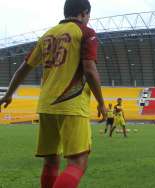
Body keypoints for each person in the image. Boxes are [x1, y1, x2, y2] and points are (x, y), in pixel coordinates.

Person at [0, 0, 107, 187]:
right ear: (84, 13)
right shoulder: (85, 32)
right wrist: (101, 102)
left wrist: (9, 94)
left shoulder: (47, 35)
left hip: (46, 105)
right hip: (71, 103)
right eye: (88, 15)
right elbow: (89, 70)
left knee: (51, 161)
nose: (89, 19)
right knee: (78, 162)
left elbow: (23, 68)